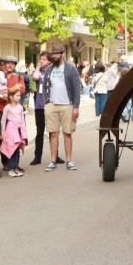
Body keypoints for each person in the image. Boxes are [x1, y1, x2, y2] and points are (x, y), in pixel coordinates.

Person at [42, 43, 81, 171]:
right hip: (52, 105)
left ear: (62, 54)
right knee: (53, 134)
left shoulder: (71, 69)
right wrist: (46, 103)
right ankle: (53, 161)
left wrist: (76, 107)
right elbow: (45, 86)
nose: (54, 56)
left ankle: (69, 161)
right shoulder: (49, 69)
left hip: (67, 105)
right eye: (53, 54)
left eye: (56, 53)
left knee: (67, 133)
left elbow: (76, 89)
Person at [0, 86, 27, 177]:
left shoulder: (20, 107)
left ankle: (15, 168)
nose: (19, 97)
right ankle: (11, 169)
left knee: (17, 150)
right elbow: (3, 121)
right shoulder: (7, 108)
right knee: (12, 149)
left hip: (18, 130)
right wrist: (3, 133)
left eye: (19, 95)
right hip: (10, 130)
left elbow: (22, 121)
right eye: (17, 96)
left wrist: (24, 134)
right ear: (11, 97)